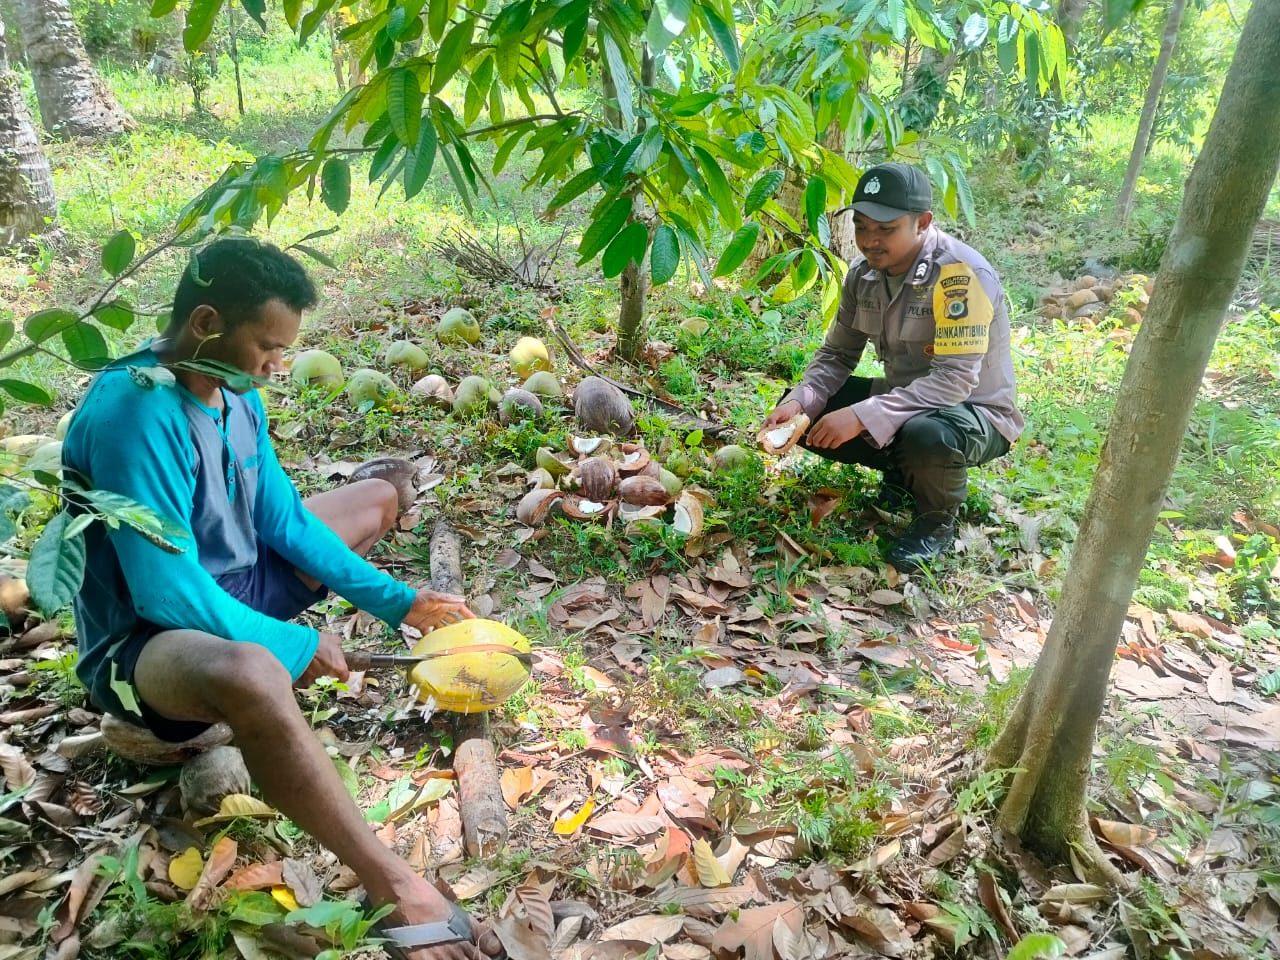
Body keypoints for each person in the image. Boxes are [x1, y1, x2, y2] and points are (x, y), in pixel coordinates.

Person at [63, 238, 499, 960]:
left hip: (234, 581)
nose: (275, 365)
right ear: (206, 322)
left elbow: (284, 520)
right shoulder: (133, 417)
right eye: (266, 346)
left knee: (375, 498)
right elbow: (166, 592)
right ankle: (396, 888)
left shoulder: (236, 393)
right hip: (145, 641)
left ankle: (265, 657)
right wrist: (290, 644)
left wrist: (399, 602)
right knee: (253, 672)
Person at [761, 163, 1023, 571]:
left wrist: (865, 415)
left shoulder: (960, 276)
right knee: (809, 416)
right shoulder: (862, 277)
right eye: (863, 227)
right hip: (907, 399)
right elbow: (837, 356)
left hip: (974, 412)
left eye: (886, 229)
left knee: (927, 434)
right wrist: (800, 401)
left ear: (922, 223)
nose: (870, 241)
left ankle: (936, 522)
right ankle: (904, 479)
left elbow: (954, 382)